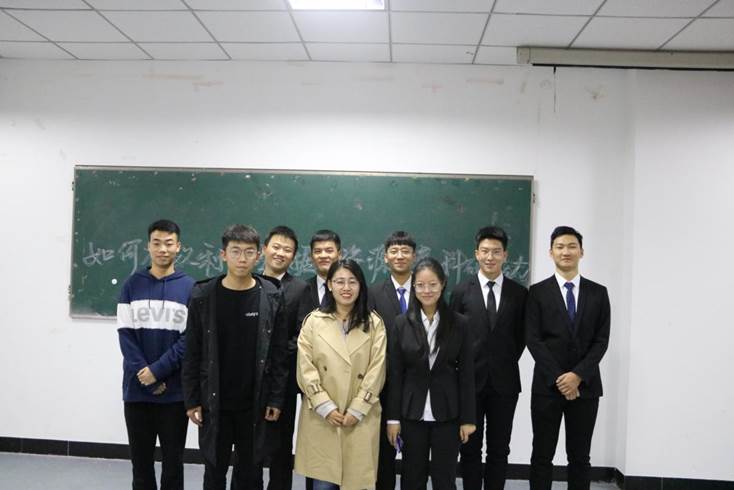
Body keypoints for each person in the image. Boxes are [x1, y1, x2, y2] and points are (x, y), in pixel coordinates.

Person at [181, 224, 289, 490]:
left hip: (255, 402)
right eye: (235, 251)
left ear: (258, 256)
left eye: (249, 252)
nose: (242, 258)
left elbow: (278, 353)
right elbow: (192, 351)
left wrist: (276, 398)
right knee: (214, 471)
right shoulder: (203, 295)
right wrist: (192, 400)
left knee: (251, 473)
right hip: (214, 401)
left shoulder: (271, 296)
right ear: (223, 255)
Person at [525, 226, 610, 490]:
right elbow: (533, 339)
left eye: (572, 246)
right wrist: (561, 379)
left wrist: (577, 376)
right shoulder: (537, 292)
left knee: (580, 457)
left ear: (581, 252)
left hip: (586, 387)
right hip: (547, 387)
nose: (566, 251)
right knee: (542, 455)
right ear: (550, 252)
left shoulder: (598, 293)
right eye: (560, 247)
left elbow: (601, 341)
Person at [294, 259, 387, 490]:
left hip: (360, 417)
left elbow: (377, 370)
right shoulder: (314, 321)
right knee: (323, 483)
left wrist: (357, 409)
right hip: (323, 417)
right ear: (329, 285)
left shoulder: (374, 323)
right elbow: (305, 367)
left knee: (357, 483)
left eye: (352, 282)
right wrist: (325, 406)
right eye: (339, 282)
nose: (346, 288)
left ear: (361, 286)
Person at [117, 218, 195, 490]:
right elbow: (126, 335)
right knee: (141, 465)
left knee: (173, 465)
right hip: (137, 391)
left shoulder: (190, 288)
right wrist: (146, 376)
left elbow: (189, 340)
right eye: (157, 243)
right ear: (148, 246)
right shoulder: (131, 285)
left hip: (174, 393)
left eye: (169, 243)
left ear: (178, 247)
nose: (163, 249)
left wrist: (157, 372)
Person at [386, 257, 476, 490]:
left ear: (443, 284)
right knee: (412, 477)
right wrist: (393, 419)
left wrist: (468, 418)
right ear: (413, 286)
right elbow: (395, 374)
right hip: (411, 412)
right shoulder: (401, 323)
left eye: (433, 284)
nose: (427, 291)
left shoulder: (460, 323)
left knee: (444, 478)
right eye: (420, 285)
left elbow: (467, 374)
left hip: (448, 412)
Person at [450, 226, 528, 490]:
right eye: (485, 251)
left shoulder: (519, 293)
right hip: (469, 383)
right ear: (476, 254)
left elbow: (521, 337)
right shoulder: (461, 291)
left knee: (499, 448)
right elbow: (452, 336)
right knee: (469, 447)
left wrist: (502, 360)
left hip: (505, 383)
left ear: (505, 255)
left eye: (496, 252)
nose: (490, 257)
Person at [256, 226, 309, 490]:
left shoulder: (300, 288)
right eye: (276, 247)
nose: (280, 253)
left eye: (287, 250)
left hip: (282, 381)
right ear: (264, 249)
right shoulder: (248, 281)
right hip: (249, 381)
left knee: (280, 448)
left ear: (294, 256)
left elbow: (301, 335)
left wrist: (270, 356)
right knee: (248, 446)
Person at [368, 230, 417, 490]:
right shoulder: (373, 293)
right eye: (394, 251)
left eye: (405, 251)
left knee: (416, 453)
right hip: (384, 384)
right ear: (385, 257)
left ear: (414, 256)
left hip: (419, 385)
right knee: (383, 453)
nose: (400, 256)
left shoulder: (426, 289)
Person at [297, 229, 342, 322]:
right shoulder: (301, 290)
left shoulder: (350, 289)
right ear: (311, 257)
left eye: (329, 251)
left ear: (339, 255)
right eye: (318, 251)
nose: (323, 255)